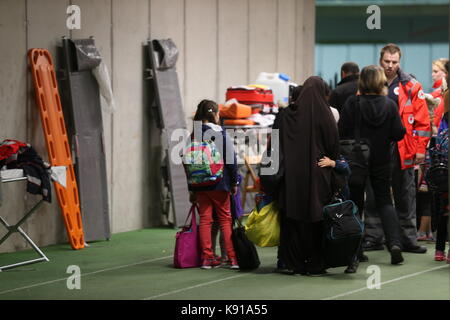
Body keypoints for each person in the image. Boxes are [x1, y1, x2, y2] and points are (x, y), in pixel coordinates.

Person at [364, 43, 431, 254]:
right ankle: (374, 237)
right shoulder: (371, 84)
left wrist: (420, 149)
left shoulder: (411, 86)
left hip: (404, 148)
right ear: (380, 60)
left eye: (394, 62)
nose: (390, 66)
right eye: (387, 62)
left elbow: (422, 122)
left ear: (399, 62)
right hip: (377, 148)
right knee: (374, 193)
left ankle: (408, 239)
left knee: (406, 194)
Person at [339, 65, 406, 265]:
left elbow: (341, 130)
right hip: (382, 160)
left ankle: (355, 250)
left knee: (356, 204)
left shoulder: (353, 102)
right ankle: (394, 243)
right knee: (385, 201)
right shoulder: (389, 105)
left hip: (357, 160)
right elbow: (399, 133)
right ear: (380, 81)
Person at [278, 76, 340, 276]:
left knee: (292, 220)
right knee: (316, 220)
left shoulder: (286, 115)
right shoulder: (326, 116)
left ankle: (293, 262)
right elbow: (334, 148)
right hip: (318, 174)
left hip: (291, 177)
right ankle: (314, 263)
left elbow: (273, 148)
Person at [187, 99, 239, 269]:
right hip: (220, 182)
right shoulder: (220, 132)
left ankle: (207, 258)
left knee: (205, 220)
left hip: (200, 184)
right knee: (225, 219)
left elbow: (188, 162)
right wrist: (234, 182)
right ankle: (232, 258)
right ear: (215, 114)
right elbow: (231, 160)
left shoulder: (193, 133)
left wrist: (191, 187)